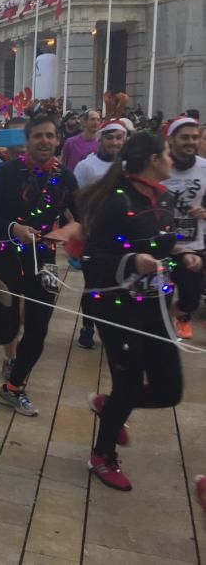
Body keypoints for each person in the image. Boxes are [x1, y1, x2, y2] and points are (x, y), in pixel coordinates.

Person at [79, 132, 190, 491]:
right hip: (117, 307)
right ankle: (102, 454)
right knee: (128, 383)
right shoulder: (116, 201)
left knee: (169, 390)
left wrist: (181, 257)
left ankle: (110, 406)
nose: (172, 159)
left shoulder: (167, 198)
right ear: (153, 160)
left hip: (155, 305)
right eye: (167, 154)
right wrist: (131, 261)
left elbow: (159, 246)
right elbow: (92, 260)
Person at [0, 113, 79, 416]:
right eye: (38, 136)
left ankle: (14, 387)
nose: (44, 141)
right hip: (7, 253)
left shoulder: (66, 177)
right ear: (28, 140)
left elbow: (83, 216)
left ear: (58, 140)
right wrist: (13, 228)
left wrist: (71, 231)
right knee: (6, 328)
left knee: (38, 327)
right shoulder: (7, 173)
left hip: (44, 258)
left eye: (50, 135)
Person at [72, 119, 128, 350]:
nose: (114, 142)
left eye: (119, 137)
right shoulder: (86, 166)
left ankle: (115, 327)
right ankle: (88, 326)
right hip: (94, 235)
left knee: (118, 285)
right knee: (92, 285)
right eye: (109, 137)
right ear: (101, 139)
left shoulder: (128, 166)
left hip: (121, 236)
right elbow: (76, 198)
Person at [160, 116, 206, 340]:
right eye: (185, 137)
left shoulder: (204, 167)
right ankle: (161, 329)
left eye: (195, 137)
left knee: (191, 299)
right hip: (162, 244)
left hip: (193, 244)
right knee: (162, 294)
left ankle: (168, 318)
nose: (190, 142)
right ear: (172, 139)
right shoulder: (161, 165)